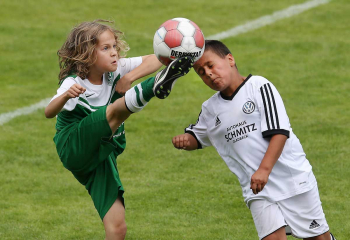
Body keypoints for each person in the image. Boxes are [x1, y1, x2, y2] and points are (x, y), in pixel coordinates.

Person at [172, 40, 336, 240]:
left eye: (210, 65)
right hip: (257, 189)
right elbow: (197, 137)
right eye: (200, 72)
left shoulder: (258, 86)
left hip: (292, 181)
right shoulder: (210, 109)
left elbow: (279, 132)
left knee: (318, 238)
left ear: (230, 59)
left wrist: (264, 170)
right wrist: (184, 140)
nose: (208, 73)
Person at [45, 19, 194, 240]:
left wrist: (130, 77)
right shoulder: (74, 82)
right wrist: (66, 95)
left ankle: (150, 85)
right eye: (106, 48)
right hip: (74, 145)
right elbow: (49, 112)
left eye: (114, 46)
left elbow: (159, 58)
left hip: (100, 155)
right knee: (114, 112)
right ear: (87, 54)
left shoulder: (115, 70)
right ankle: (153, 87)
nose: (114, 53)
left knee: (117, 227)